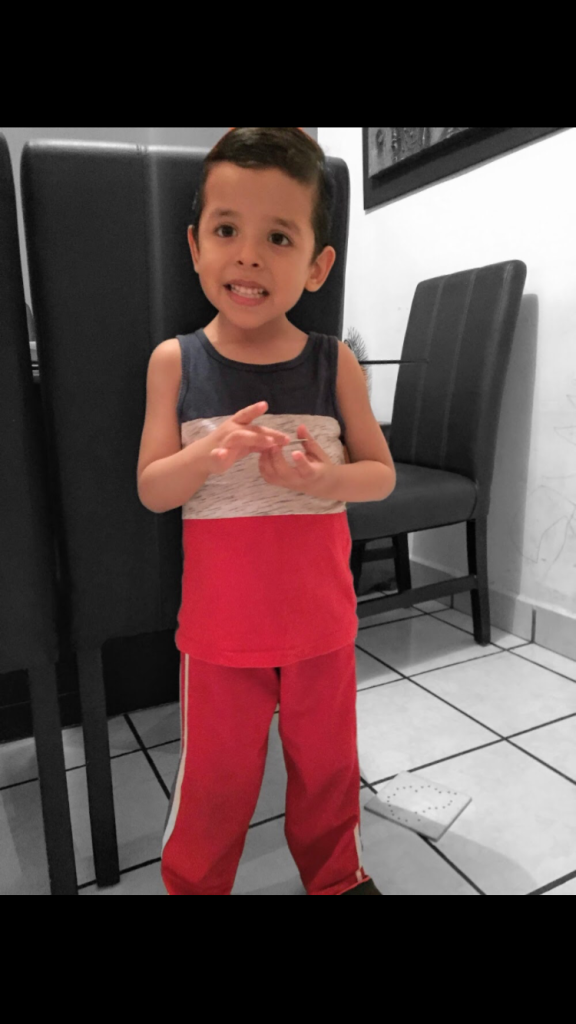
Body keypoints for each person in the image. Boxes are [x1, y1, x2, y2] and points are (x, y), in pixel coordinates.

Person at [137, 127, 396, 895]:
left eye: (278, 237)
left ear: (317, 265)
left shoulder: (332, 362)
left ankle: (337, 876)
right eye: (227, 231)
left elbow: (380, 475)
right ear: (195, 247)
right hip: (221, 635)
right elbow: (152, 487)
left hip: (323, 625)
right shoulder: (176, 361)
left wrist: (322, 481)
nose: (247, 256)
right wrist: (205, 457)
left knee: (329, 770)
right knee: (215, 782)